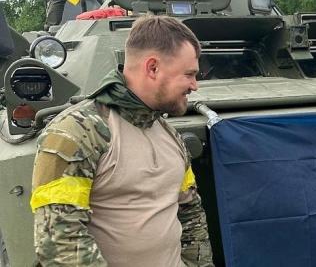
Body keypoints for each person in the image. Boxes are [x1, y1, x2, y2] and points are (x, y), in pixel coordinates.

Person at [32, 16, 213, 266]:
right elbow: (59, 242)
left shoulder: (169, 135)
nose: (195, 85)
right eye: (189, 74)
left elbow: (191, 215)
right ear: (152, 68)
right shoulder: (76, 132)